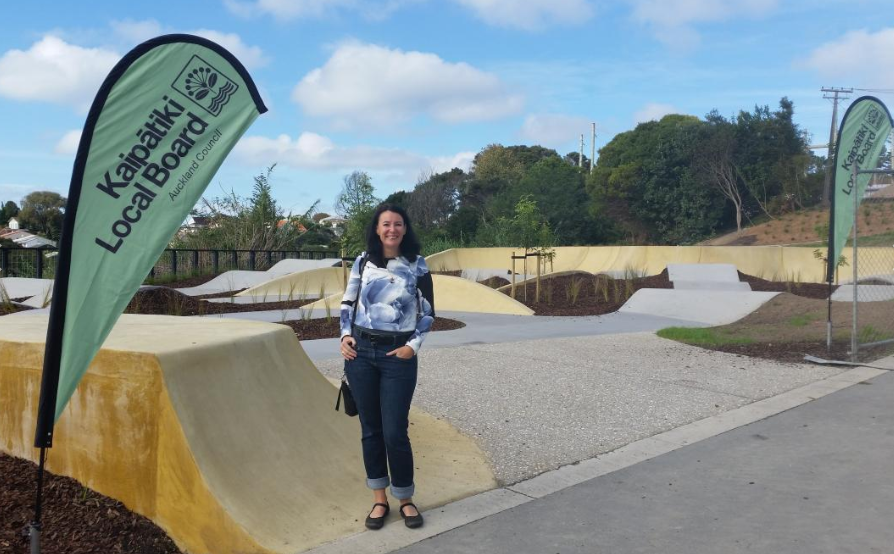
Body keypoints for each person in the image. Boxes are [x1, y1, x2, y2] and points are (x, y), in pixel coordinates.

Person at [339, 203, 434, 530]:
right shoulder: (363, 262)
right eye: (385, 224)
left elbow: (428, 312)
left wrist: (413, 345)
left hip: (399, 356)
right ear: (377, 230)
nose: (392, 229)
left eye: (397, 224)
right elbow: (347, 303)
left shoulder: (418, 265)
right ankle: (379, 500)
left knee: (395, 431)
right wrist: (344, 336)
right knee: (371, 431)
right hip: (361, 355)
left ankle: (405, 499)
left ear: (405, 229)